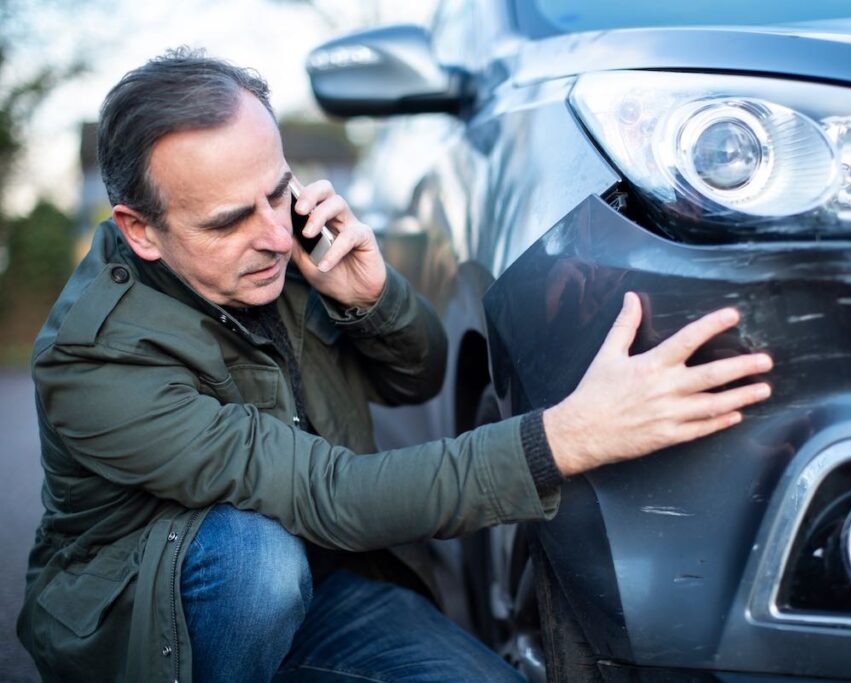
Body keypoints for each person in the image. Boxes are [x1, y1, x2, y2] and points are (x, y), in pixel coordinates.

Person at [16, 48, 773, 683]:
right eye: (230, 221)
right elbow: (331, 492)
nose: (277, 235)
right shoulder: (95, 362)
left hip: (324, 584)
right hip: (158, 626)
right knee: (256, 561)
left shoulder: (278, 259)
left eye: (279, 193)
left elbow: (417, 377)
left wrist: (373, 301)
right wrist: (565, 439)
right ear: (140, 230)